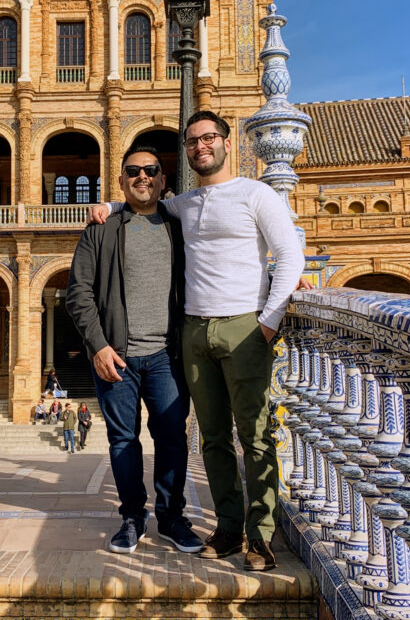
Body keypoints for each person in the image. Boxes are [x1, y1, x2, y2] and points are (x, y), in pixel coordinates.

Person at [89, 113, 305, 569]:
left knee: (256, 434)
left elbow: (289, 254)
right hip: (193, 331)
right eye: (193, 141)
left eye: (209, 138)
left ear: (227, 143)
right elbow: (140, 199)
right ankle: (227, 527)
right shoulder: (182, 204)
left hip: (245, 326)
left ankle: (260, 533)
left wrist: (270, 319)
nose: (201, 147)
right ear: (186, 151)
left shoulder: (256, 193)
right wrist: (107, 206)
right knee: (210, 438)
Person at [67, 145, 202, 555]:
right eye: (133, 171)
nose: (142, 176)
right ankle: (132, 516)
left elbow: (224, 258)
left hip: (167, 354)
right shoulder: (102, 228)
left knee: (172, 439)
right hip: (116, 356)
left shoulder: (180, 226)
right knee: (123, 440)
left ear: (164, 180)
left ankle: (171, 517)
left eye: (151, 170)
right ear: (122, 180)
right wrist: (98, 346)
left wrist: (285, 277)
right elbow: (79, 293)